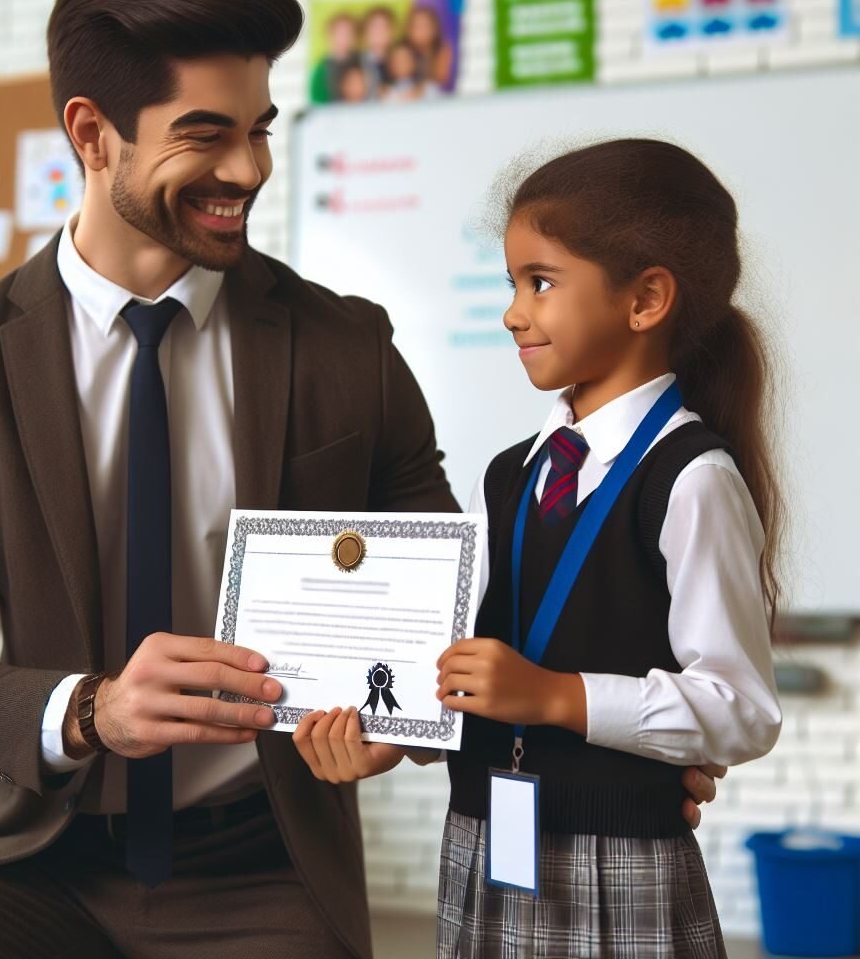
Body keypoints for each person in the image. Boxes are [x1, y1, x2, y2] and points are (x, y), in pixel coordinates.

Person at [0, 0, 456, 958]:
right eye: (205, 135)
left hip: (260, 864)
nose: (249, 169)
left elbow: (440, 602)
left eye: (259, 131)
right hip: (33, 858)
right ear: (92, 133)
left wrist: (407, 717)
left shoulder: (346, 348)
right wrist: (91, 711)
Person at [293, 139, 780, 958]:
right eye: (512, 284)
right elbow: (472, 664)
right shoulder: (510, 474)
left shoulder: (691, 479)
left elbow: (741, 710)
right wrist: (398, 732)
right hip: (484, 842)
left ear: (646, 299)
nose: (515, 312)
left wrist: (557, 697)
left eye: (541, 283)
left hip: (618, 863)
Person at [310, 11, 361, 104]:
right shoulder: (321, 70)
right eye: (339, 34)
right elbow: (316, 103)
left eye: (349, 33)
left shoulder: (362, 63)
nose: (344, 38)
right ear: (330, 36)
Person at [406, 4, 454, 90]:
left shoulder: (442, 49)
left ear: (434, 29)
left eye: (425, 26)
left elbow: (441, 78)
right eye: (417, 26)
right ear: (409, 29)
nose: (421, 31)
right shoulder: (403, 50)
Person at [360, 5, 396, 98]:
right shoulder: (357, 62)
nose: (379, 31)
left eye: (384, 27)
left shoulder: (400, 59)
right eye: (374, 27)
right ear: (365, 32)